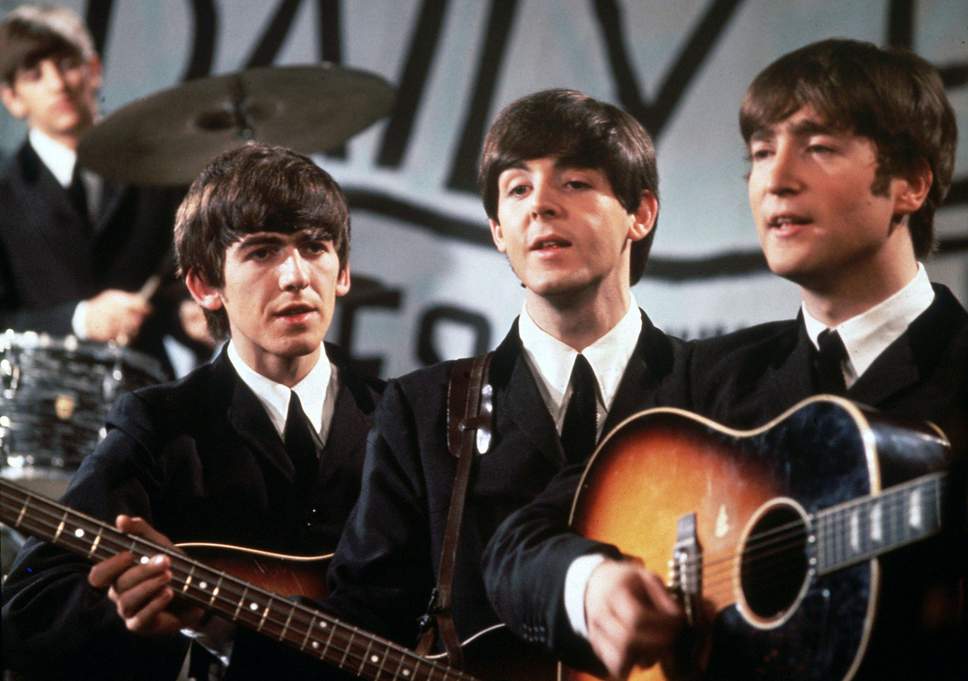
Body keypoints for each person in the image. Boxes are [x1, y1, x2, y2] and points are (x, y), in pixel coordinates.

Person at [483, 39, 967, 680]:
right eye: (761, 152)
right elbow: (519, 545)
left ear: (911, 184)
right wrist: (591, 586)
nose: (776, 179)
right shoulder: (707, 378)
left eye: (818, 148)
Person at [312, 88, 689, 677]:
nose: (540, 205)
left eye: (574, 183)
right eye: (517, 189)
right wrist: (215, 628)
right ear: (496, 229)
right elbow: (361, 622)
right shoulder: (420, 410)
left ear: (640, 213)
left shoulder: (709, 389)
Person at [1, 143, 385, 681]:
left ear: (342, 272)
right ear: (205, 285)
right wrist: (133, 614)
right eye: (263, 252)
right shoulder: (159, 424)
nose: (296, 275)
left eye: (315, 247)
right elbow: (27, 608)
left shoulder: (402, 417)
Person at [0, 4, 202, 374]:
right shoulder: (5, 193)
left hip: (144, 386)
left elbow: (174, 283)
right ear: (12, 98)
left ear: (93, 70)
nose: (57, 84)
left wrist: (188, 317)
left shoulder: (155, 172)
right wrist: (79, 320)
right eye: (35, 74)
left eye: (67, 64)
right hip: (44, 395)